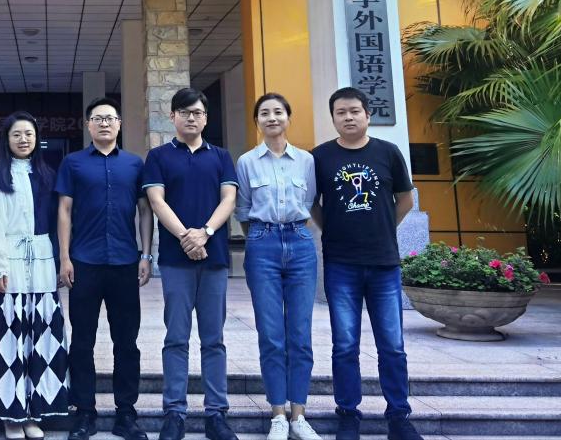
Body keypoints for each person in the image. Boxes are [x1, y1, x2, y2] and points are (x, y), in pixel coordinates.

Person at [310, 87, 419, 440]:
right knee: (345, 345)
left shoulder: (388, 152)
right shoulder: (320, 157)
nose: (348, 117)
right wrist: (332, 228)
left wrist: (383, 227)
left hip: (384, 263)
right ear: (333, 118)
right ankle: (348, 414)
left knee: (392, 345)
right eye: (341, 112)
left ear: (368, 115)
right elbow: (312, 204)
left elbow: (405, 199)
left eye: (355, 111)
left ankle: (399, 417)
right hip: (341, 264)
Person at [142, 88, 239, 440]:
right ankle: (174, 413)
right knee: (176, 337)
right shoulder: (158, 156)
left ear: (206, 118)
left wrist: (206, 233)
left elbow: (229, 199)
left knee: (214, 339)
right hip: (175, 260)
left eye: (197, 112)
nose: (191, 118)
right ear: (172, 117)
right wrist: (187, 237)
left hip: (214, 259)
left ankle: (216, 414)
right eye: (184, 112)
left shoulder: (221, 156)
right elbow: (157, 201)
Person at [0, 111, 69, 440]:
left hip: (40, 261)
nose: (23, 139)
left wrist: (60, 260)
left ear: (36, 138)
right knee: (9, 338)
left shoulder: (47, 173)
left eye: (28, 134)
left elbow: (58, 220)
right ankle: (10, 415)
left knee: (39, 337)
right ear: (7, 139)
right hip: (8, 261)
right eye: (16, 134)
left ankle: (33, 412)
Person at [56, 98, 154, 440]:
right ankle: (84, 413)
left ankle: (126, 414)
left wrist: (146, 255)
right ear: (88, 125)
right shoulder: (73, 162)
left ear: (119, 124)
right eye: (97, 118)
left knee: (126, 342)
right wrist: (64, 257)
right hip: (84, 263)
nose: (104, 123)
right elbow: (64, 210)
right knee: (82, 341)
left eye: (110, 118)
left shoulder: (134, 164)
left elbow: (145, 210)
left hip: (125, 262)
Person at [234, 94, 320, 440]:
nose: (272, 118)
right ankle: (278, 415)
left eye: (278, 112)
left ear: (288, 117)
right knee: (271, 334)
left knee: (300, 334)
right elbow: (243, 209)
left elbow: (309, 201)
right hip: (262, 243)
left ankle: (299, 414)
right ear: (256, 121)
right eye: (264, 113)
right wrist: (261, 237)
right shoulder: (246, 162)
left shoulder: (306, 161)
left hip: (300, 243)